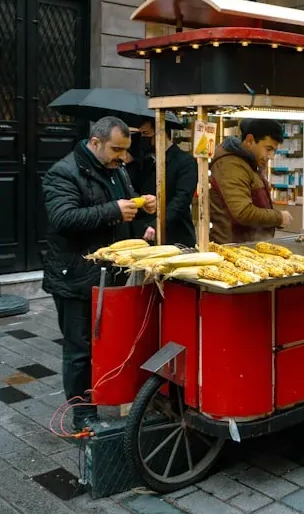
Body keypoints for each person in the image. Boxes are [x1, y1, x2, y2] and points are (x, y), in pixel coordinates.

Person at [42, 116, 154, 431]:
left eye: (125, 150)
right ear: (95, 142)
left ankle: (107, 397)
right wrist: (113, 210)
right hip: (75, 275)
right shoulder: (63, 172)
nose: (123, 157)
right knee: (79, 349)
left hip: (109, 273)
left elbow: (121, 211)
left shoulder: (116, 169)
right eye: (116, 149)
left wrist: (142, 213)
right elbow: (63, 218)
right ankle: (82, 415)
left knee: (106, 343)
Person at [210, 118, 292, 243]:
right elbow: (243, 212)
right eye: (268, 149)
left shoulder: (249, 162)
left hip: (248, 243)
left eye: (274, 151)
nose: (271, 156)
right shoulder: (231, 165)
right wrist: (278, 217)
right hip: (232, 245)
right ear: (249, 141)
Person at [126, 117, 199, 247]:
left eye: (146, 134)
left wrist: (158, 224)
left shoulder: (185, 162)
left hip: (176, 235)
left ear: (161, 133)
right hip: (145, 235)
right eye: (140, 134)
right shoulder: (145, 161)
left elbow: (182, 199)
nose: (143, 139)